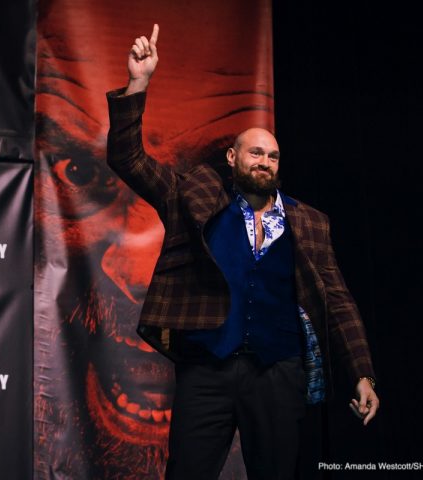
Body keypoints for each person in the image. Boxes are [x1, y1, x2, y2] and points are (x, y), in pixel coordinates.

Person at [106, 24, 380, 479]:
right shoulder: (194, 195)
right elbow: (128, 159)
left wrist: (362, 374)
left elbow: (337, 301)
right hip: (207, 370)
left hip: (278, 373)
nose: (264, 163)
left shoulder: (308, 221)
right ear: (232, 159)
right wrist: (139, 82)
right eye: (254, 154)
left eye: (272, 157)